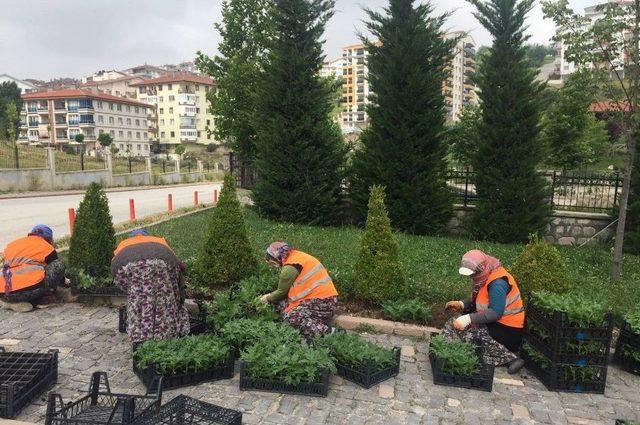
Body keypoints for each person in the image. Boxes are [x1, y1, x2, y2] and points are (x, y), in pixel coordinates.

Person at [443, 249, 526, 374]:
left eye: (473, 273)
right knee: (454, 325)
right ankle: (506, 356)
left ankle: (511, 359)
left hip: (507, 330)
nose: (472, 277)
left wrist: (468, 319)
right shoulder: (486, 276)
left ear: (481, 269)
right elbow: (478, 299)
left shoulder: (497, 284)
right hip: (496, 324)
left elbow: (495, 313)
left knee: (472, 337)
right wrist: (461, 304)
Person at [112, 229, 189, 345]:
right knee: (165, 303)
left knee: (138, 305)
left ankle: (142, 340)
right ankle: (165, 338)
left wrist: (132, 288)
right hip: (164, 269)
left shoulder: (124, 246)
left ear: (130, 238)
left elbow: (118, 276)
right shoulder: (158, 242)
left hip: (134, 276)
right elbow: (178, 267)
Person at [259, 242, 338, 339]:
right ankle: (311, 323)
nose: (270, 264)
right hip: (321, 300)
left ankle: (329, 333)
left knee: (292, 317)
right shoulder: (296, 256)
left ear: (276, 256)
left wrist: (266, 298)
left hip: (322, 302)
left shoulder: (290, 266)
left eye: (270, 260)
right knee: (279, 306)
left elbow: (281, 292)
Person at [1, 225, 65, 313]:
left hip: (4, 293)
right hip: (29, 291)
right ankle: (43, 299)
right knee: (58, 264)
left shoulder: (12, 245)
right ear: (49, 239)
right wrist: (63, 283)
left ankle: (10, 302)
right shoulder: (46, 246)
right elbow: (55, 271)